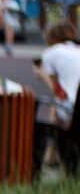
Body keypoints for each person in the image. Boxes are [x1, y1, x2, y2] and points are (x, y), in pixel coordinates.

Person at [34, 21, 80, 174]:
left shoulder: (51, 53)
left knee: (57, 104)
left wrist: (42, 74)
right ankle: (51, 155)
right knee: (57, 105)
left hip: (71, 112)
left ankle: (51, 155)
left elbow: (58, 91)